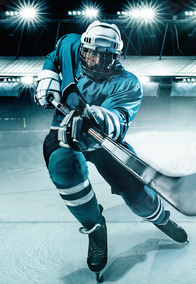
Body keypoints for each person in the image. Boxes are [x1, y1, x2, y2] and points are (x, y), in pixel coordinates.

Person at [34, 21, 187, 275]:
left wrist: (95, 118)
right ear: (82, 48)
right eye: (90, 53)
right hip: (64, 132)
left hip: (102, 140)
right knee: (64, 169)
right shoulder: (71, 43)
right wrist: (47, 78)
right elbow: (54, 56)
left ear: (116, 58)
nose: (94, 61)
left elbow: (118, 120)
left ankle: (160, 218)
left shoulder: (127, 83)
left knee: (138, 196)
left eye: (103, 57)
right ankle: (95, 227)